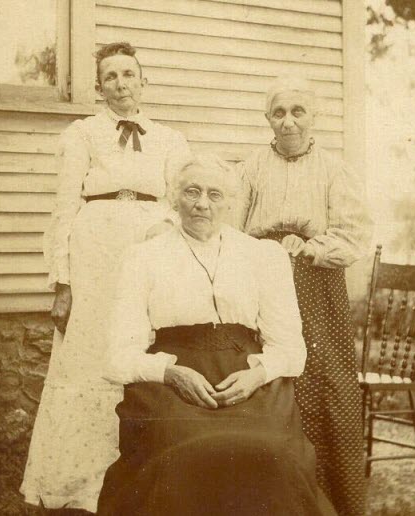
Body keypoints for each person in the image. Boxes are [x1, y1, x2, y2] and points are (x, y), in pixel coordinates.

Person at [96, 155, 337, 516]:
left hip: (248, 376)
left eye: (214, 194)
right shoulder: (143, 257)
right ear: (174, 199)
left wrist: (258, 374)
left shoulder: (263, 255)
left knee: (272, 451)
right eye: (192, 192)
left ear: (230, 203)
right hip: (171, 380)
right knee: (186, 449)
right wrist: (169, 372)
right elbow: (116, 357)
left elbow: (291, 349)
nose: (202, 203)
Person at [20, 42, 192, 513]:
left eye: (129, 74)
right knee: (91, 361)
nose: (121, 83)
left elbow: (182, 202)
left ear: (143, 81)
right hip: (93, 259)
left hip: (150, 256)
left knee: (142, 351)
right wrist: (63, 282)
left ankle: (144, 481)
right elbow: (64, 208)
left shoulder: (170, 139)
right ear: (99, 87)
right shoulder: (82, 134)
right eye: (111, 76)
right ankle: (80, 488)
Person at [235, 75, 372, 516]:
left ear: (315, 118)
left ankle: (331, 498)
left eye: (298, 112)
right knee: (267, 375)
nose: (289, 122)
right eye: (279, 113)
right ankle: (270, 496)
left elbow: (354, 236)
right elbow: (229, 227)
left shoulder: (334, 169)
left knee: (325, 381)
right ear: (268, 120)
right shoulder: (251, 167)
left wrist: (310, 248)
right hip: (260, 279)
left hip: (316, 283)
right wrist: (263, 252)